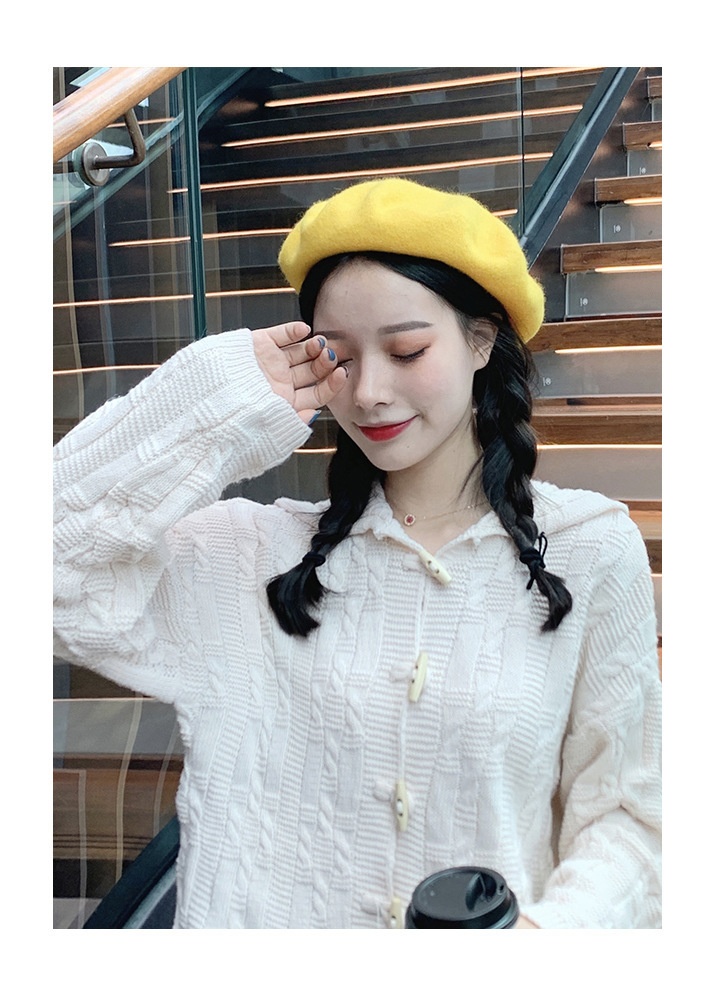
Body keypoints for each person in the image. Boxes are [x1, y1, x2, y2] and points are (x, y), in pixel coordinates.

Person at [53, 177, 661, 929]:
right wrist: (219, 396)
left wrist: (544, 936)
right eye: (336, 355)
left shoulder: (589, 549)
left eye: (407, 350)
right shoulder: (244, 556)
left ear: (480, 340)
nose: (368, 391)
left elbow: (631, 819)